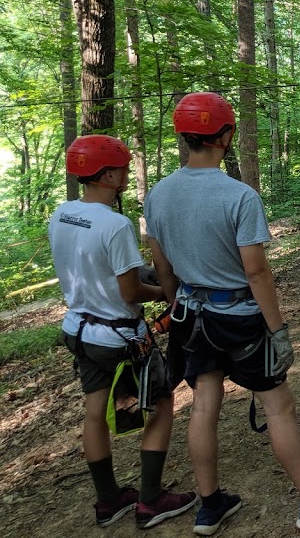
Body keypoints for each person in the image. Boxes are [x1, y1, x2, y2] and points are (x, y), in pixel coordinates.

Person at [145, 93, 300, 534]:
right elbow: (255, 270)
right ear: (225, 136)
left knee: (204, 404)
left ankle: (209, 506)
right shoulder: (239, 195)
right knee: (278, 405)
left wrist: (176, 308)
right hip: (239, 315)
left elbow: (163, 267)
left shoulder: (158, 194)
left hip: (191, 313)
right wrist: (277, 329)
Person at [49, 134, 197, 529]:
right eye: (124, 170)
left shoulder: (61, 214)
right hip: (118, 336)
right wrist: (168, 294)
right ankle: (150, 501)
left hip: (79, 329)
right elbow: (130, 290)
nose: (127, 176)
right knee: (162, 403)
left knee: (95, 413)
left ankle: (108, 500)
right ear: (110, 174)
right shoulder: (115, 224)